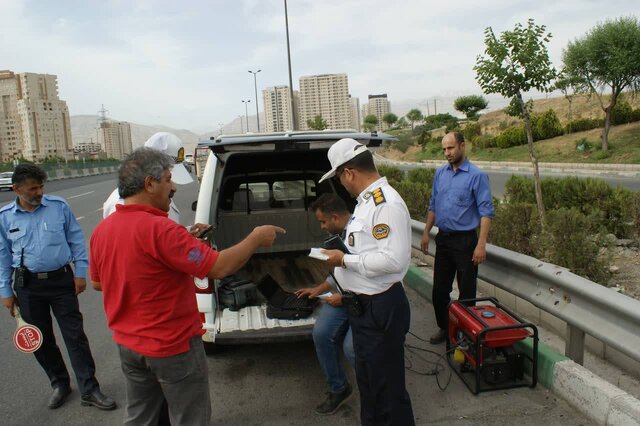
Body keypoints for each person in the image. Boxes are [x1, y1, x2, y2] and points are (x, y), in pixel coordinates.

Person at [90, 148, 285, 425]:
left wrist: (181, 244)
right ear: (149, 183)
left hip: (129, 347)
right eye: (168, 180)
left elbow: (98, 282)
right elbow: (219, 267)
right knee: (189, 418)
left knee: (140, 417)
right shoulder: (161, 229)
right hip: (172, 347)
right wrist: (254, 238)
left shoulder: (104, 230)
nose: (172, 188)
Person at [0, 164, 116, 411]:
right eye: (33, 188)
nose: (39, 191)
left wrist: (81, 273)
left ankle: (89, 388)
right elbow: (3, 257)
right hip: (28, 286)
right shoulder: (5, 217)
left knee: (75, 337)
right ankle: (59, 383)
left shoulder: (58, 207)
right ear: (16, 189)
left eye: (41, 186)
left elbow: (76, 240)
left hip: (62, 281)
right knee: (41, 341)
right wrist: (6, 291)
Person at [318, 138, 414, 426]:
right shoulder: (364, 204)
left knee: (388, 392)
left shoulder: (385, 204)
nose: (341, 185)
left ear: (349, 173)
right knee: (371, 388)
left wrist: (344, 261)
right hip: (362, 309)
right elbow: (367, 251)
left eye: (339, 177)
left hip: (380, 308)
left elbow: (393, 260)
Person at [420, 132, 495, 344]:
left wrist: (481, 245)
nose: (447, 153)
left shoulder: (476, 176)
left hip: (466, 243)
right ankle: (446, 328)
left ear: (462, 146)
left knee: (467, 293)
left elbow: (486, 213)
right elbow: (433, 205)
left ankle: (464, 334)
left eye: (451, 148)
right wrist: (426, 232)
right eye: (444, 149)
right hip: (443, 239)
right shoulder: (440, 174)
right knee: (440, 290)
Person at [295, 193, 355, 416]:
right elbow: (338, 272)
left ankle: (375, 392)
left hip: (363, 300)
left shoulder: (361, 231)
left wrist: (344, 298)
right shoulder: (340, 235)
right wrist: (318, 290)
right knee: (321, 333)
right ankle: (339, 387)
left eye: (322, 221)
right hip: (342, 296)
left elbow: (370, 273)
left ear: (336, 217)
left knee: (352, 349)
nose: (321, 226)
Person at [103, 132, 193, 222]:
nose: (174, 188)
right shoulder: (123, 205)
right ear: (150, 183)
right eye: (168, 179)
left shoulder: (159, 195)